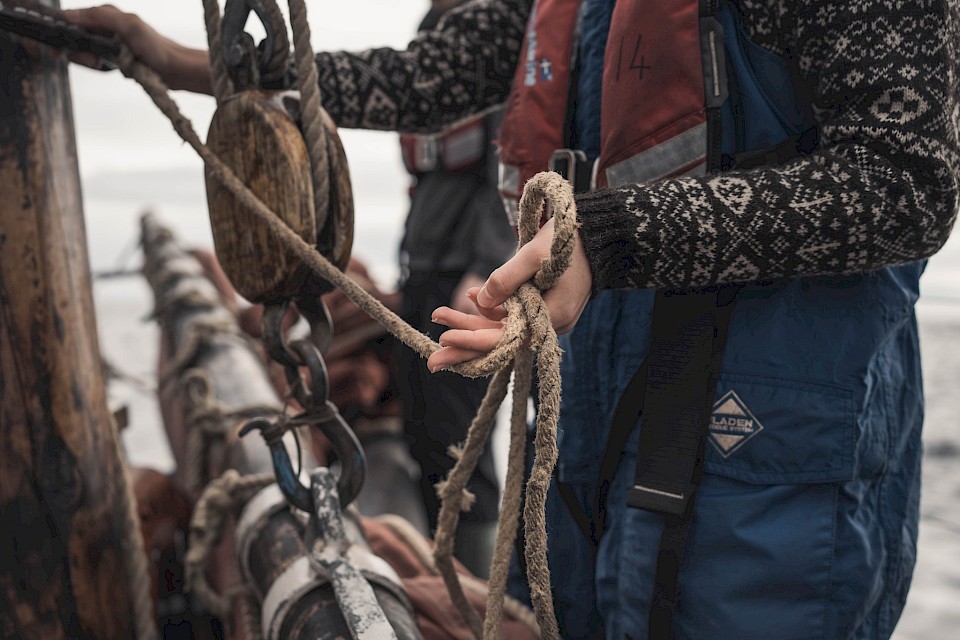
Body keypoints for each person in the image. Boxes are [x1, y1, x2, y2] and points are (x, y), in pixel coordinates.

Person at [64, 1, 960, 638]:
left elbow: (908, 181)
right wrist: (191, 61)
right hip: (586, 431)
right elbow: (435, 72)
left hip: (764, 460)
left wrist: (607, 244)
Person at [393, 0, 516, 579]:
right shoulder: (432, 33)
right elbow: (425, 185)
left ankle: (480, 594)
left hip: (467, 283)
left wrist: (487, 271)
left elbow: (506, 170)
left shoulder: (494, 39)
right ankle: (439, 576)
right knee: (419, 427)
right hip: (423, 275)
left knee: (459, 448)